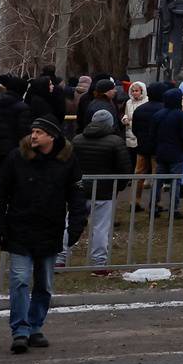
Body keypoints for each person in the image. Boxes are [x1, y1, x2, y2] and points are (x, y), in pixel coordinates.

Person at [0, 116, 87, 354]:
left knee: (44, 284)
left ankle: (35, 326)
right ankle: (20, 331)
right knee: (20, 280)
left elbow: (76, 197)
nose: (33, 136)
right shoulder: (17, 157)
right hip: (19, 229)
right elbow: (0, 193)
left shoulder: (67, 160)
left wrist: (75, 226)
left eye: (39, 132)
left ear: (51, 137)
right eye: (32, 131)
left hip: (50, 230)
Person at [64, 109, 130, 271]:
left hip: (79, 189)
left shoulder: (77, 139)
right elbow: (125, 168)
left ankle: (60, 256)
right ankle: (99, 263)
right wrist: (118, 187)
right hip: (105, 190)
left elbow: (69, 164)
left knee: (69, 223)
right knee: (100, 227)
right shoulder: (115, 141)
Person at [150, 87, 183, 217]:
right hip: (176, 152)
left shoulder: (158, 115)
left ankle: (153, 206)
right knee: (175, 182)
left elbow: (152, 134)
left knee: (158, 181)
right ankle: (174, 209)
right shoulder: (182, 116)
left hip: (161, 151)